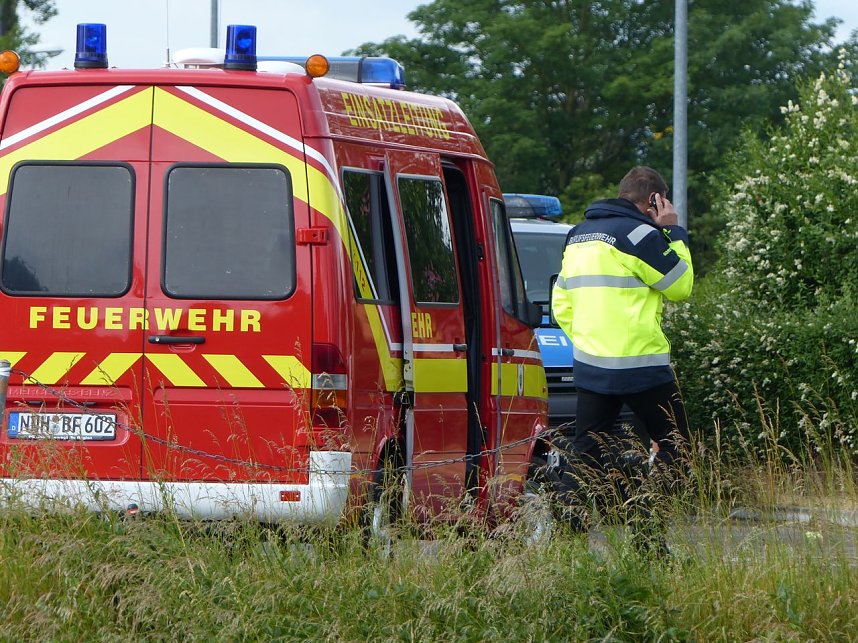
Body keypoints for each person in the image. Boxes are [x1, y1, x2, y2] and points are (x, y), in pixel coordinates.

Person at [550, 166, 693, 548]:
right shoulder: (641, 234)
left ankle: (566, 537)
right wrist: (674, 231)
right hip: (643, 367)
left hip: (593, 366)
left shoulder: (577, 236)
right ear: (654, 201)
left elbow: (560, 303)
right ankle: (647, 534)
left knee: (587, 453)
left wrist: (589, 343)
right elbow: (680, 286)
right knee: (678, 449)